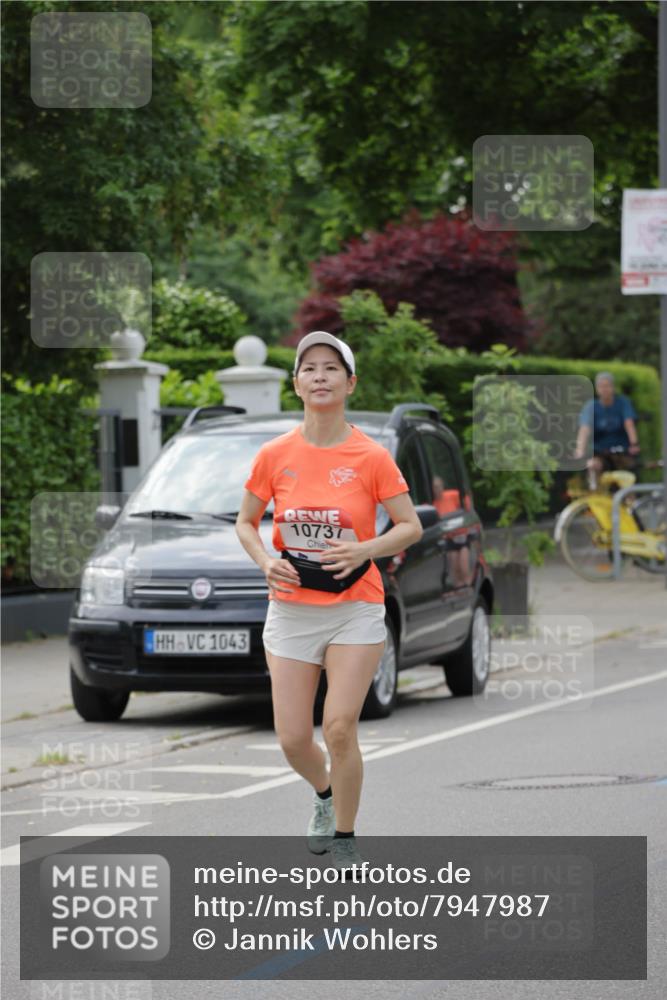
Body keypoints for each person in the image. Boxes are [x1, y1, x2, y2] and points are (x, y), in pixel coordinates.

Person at [235, 331, 423, 875]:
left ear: (349, 383)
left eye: (331, 368)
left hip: (355, 606)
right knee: (294, 738)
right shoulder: (275, 455)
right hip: (291, 607)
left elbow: (409, 526)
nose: (319, 376)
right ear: (296, 384)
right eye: (309, 368)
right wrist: (264, 561)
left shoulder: (370, 456)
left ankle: (345, 838)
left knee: (339, 727)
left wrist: (365, 547)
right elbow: (246, 523)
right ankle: (323, 792)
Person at [573, 372, 640, 488]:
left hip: (621, 451)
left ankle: (630, 500)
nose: (604, 389)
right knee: (593, 465)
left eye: (607, 386)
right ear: (597, 389)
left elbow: (628, 423)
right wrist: (580, 449)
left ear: (613, 387)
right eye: (601, 386)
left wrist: (634, 443)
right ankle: (595, 492)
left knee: (628, 476)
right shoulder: (591, 406)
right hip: (600, 451)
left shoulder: (623, 403)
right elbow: (585, 429)